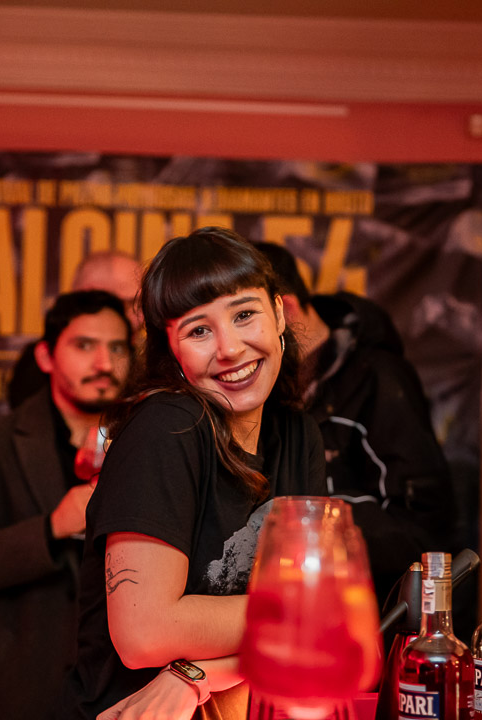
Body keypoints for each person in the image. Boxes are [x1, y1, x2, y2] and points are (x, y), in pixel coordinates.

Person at [59, 227, 326, 720]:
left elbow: (318, 629)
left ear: (278, 314)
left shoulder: (297, 433)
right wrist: (293, 613)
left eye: (244, 314)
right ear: (172, 351)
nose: (230, 348)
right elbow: (144, 634)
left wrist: (196, 676)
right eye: (199, 330)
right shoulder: (167, 428)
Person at [0, 290, 133, 720]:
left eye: (117, 348)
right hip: (21, 687)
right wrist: (52, 527)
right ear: (45, 357)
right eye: (85, 346)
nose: (104, 363)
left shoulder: (150, 441)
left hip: (125, 689)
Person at [253, 242, 454, 606]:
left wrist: (316, 530)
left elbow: (423, 529)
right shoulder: (261, 388)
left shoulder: (379, 376)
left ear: (286, 311)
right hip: (292, 603)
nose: (234, 344)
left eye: (245, 318)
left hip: (373, 609)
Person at [8, 249, 144, 408]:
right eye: (128, 304)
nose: (141, 317)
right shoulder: (36, 373)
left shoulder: (144, 360)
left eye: (142, 304)